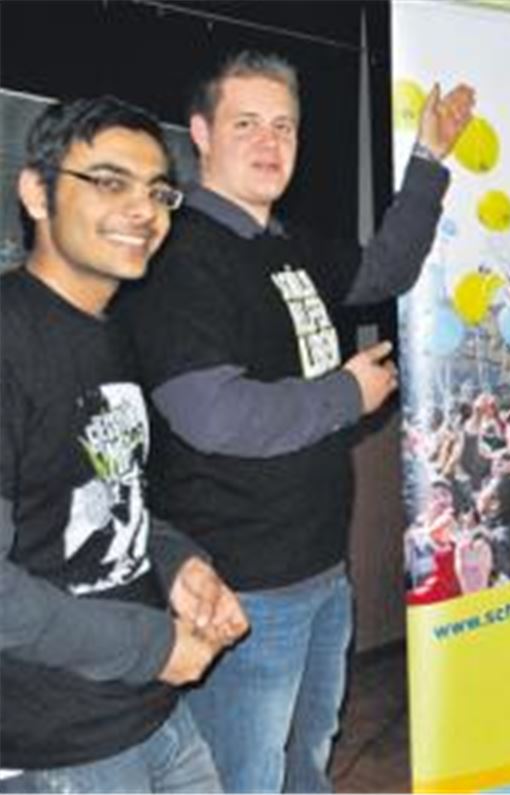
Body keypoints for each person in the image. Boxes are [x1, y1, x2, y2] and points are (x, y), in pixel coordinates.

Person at [118, 51, 474, 793]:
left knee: (305, 763)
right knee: (243, 778)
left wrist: (429, 157)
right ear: (201, 134)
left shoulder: (286, 244)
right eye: (246, 123)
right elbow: (214, 413)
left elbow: (383, 271)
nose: (269, 141)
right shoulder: (180, 255)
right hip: (240, 586)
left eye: (284, 125)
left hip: (319, 573)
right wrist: (347, 393)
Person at [0, 96, 247, 793]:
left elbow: (105, 496)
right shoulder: (8, 338)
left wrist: (178, 565)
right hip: (58, 744)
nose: (145, 209)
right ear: (36, 190)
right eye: (110, 181)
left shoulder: (111, 328)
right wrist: (155, 644)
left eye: (158, 190)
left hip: (149, 712)